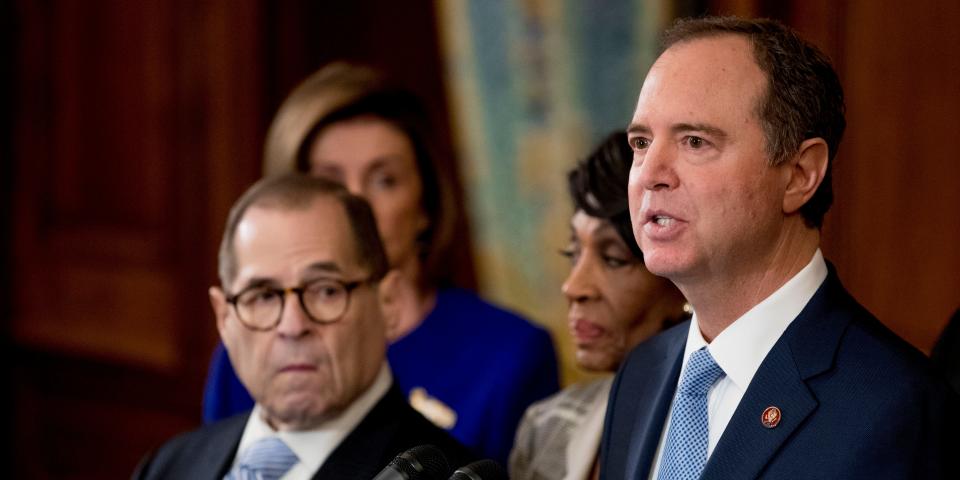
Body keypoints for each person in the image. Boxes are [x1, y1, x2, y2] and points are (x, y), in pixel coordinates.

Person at [599, 16, 958, 480]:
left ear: (800, 174)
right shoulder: (641, 374)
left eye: (694, 141)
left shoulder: (895, 408)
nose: (650, 173)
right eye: (642, 142)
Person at [203, 63, 559, 464]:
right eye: (329, 182)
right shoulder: (255, 342)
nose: (356, 204)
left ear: (425, 204)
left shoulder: (510, 354)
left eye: (384, 180)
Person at [135, 175, 473, 479]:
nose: (293, 326)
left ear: (387, 303)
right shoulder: (167, 467)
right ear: (224, 317)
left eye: (326, 290)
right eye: (263, 296)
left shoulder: (446, 475)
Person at [509, 132, 688, 480]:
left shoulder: (727, 430)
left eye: (612, 258)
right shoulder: (544, 428)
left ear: (682, 281)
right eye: (573, 253)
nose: (573, 287)